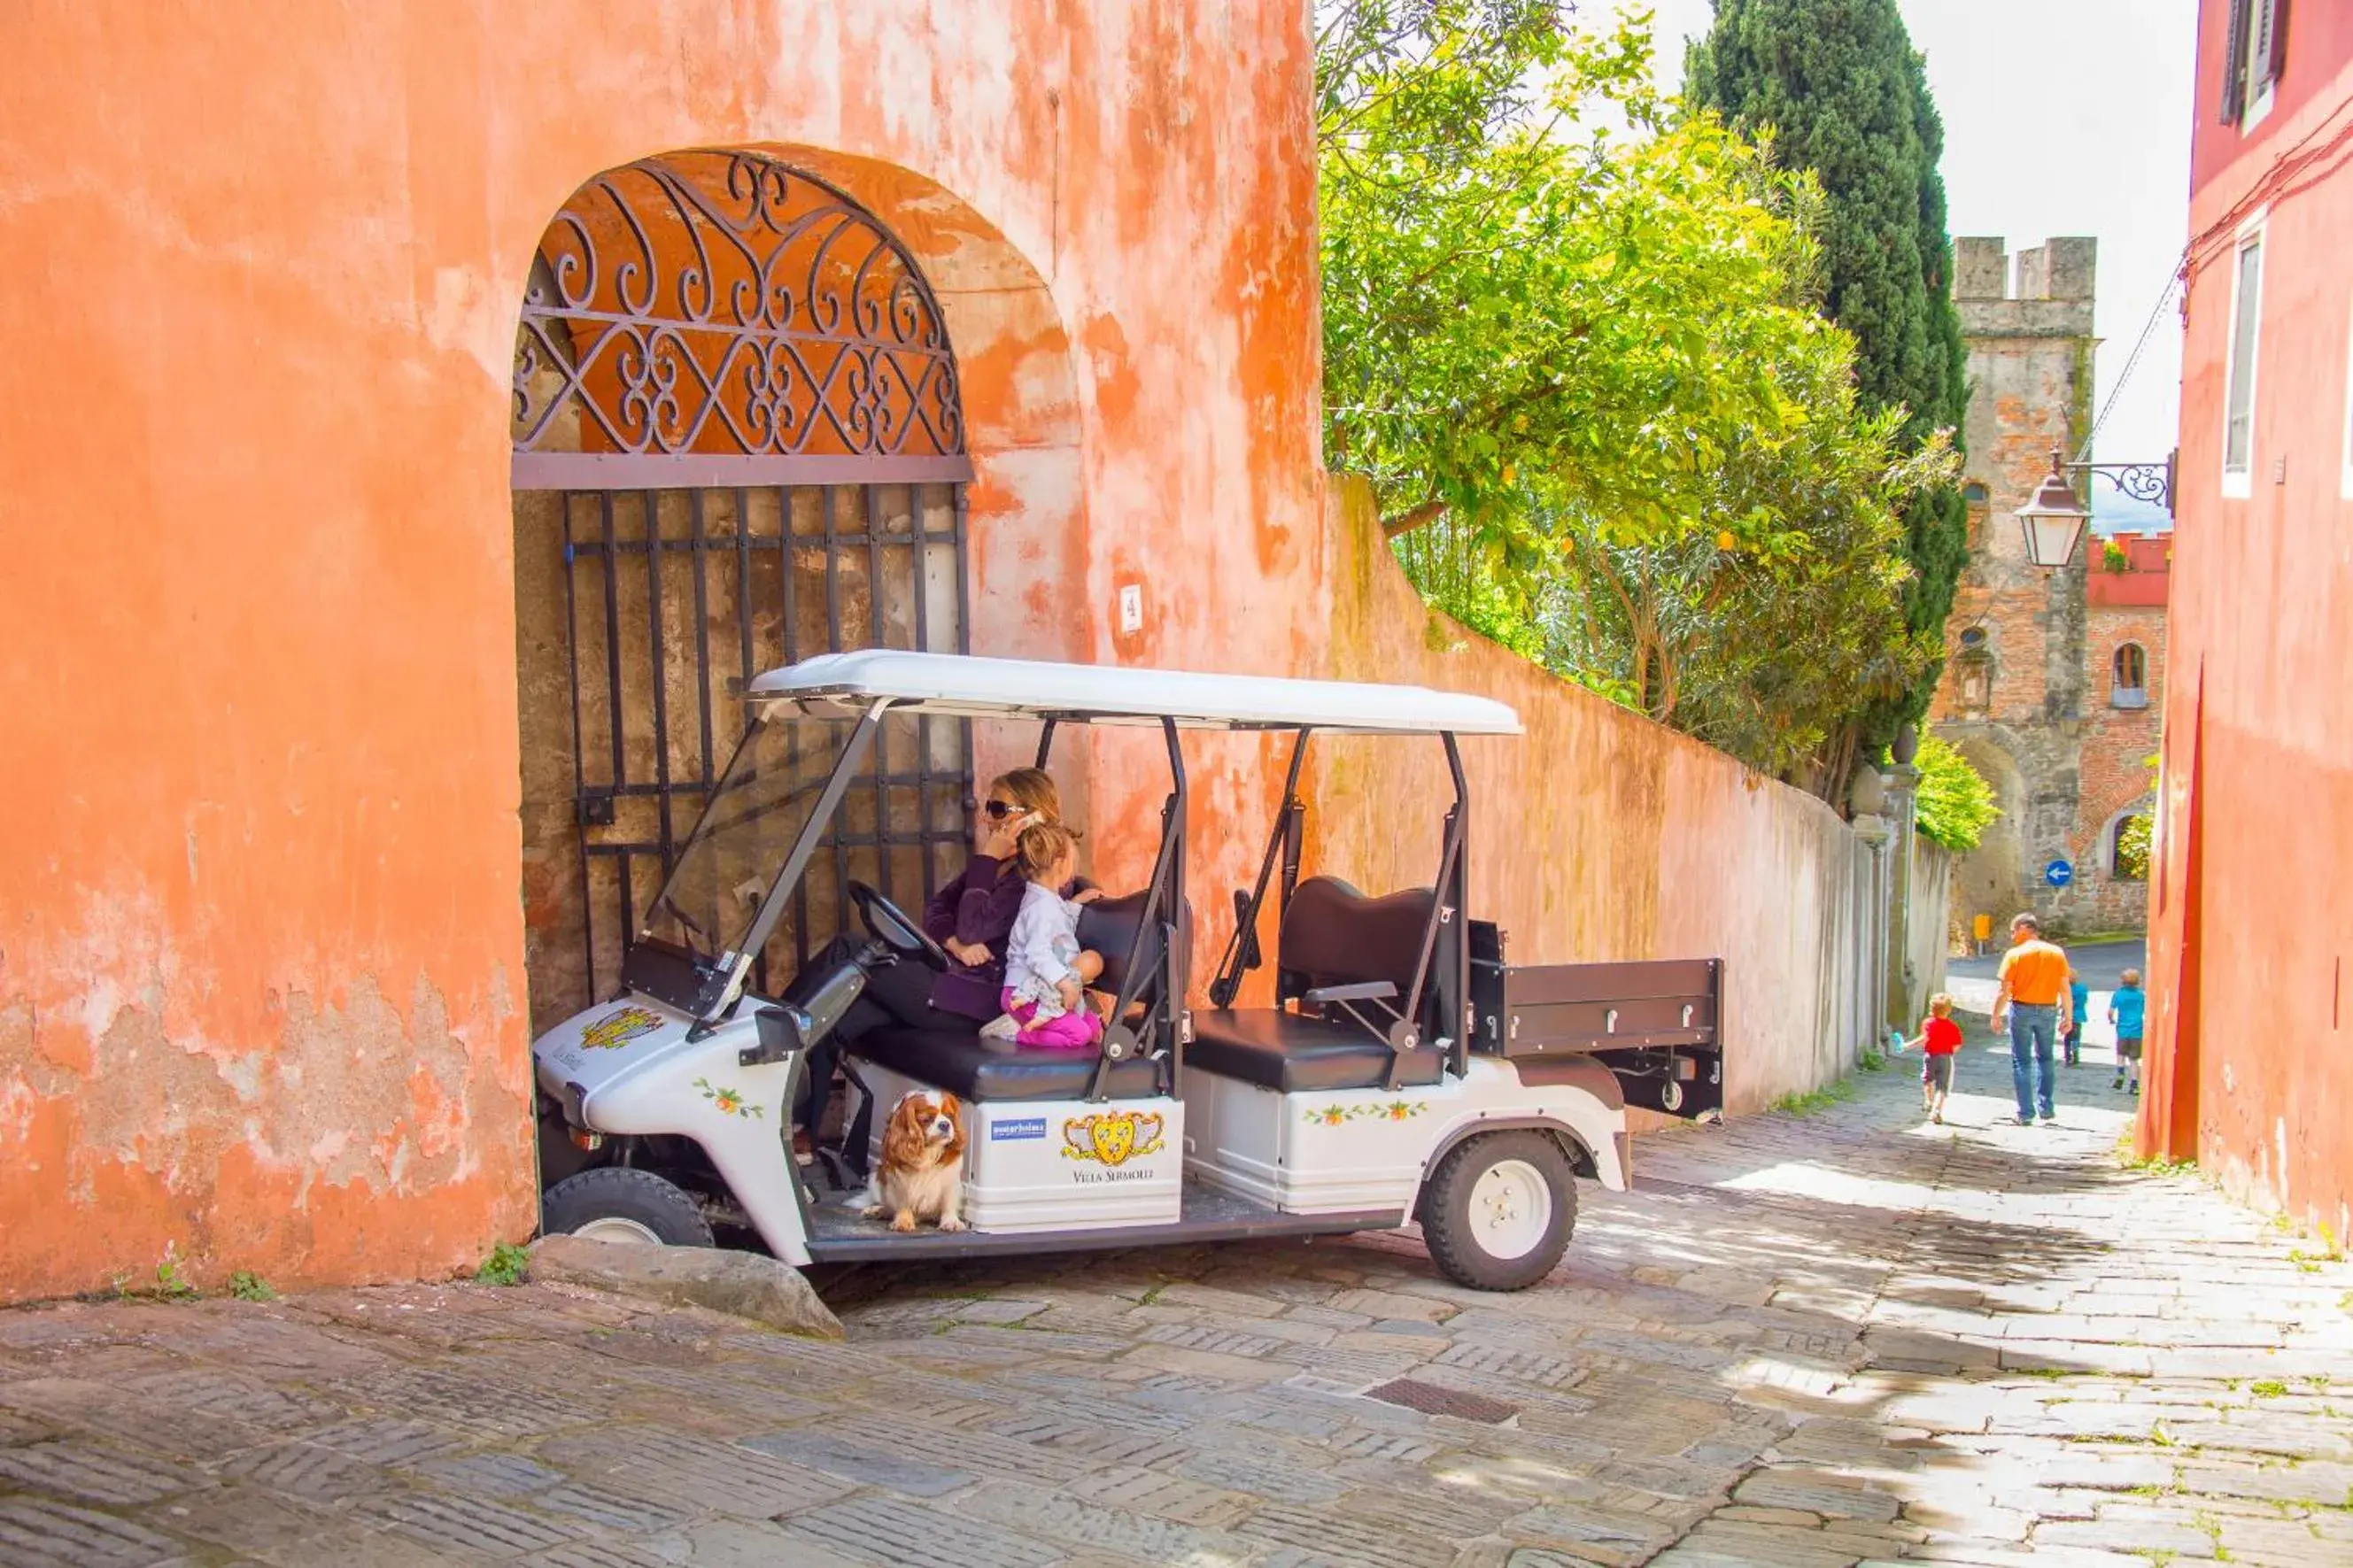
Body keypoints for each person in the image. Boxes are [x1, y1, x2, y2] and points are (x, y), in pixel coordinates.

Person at [792, 767, 1098, 1157]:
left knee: (850, 949)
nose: (987, 818)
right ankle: (801, 1133)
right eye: (989, 807)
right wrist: (953, 942)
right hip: (952, 982)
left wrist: (985, 863)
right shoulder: (1001, 866)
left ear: (1028, 815)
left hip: (982, 1004)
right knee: (836, 1015)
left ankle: (765, 1038)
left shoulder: (1031, 880)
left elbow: (973, 926)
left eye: (997, 808)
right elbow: (937, 910)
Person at [982, 821, 1106, 1050]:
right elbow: (1037, 953)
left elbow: (1057, 932)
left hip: (1044, 991)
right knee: (1079, 1036)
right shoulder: (1041, 907)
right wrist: (1066, 984)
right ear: (1059, 864)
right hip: (1026, 995)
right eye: (1071, 862)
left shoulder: (1046, 900)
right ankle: (1015, 1033)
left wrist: (1075, 904)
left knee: (1093, 1028)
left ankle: (1031, 1028)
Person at [1992, 912, 2069, 1126]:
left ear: (2025, 928)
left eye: (2014, 930)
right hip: (2048, 1010)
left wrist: (1996, 1015)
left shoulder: (2014, 955)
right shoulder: (2056, 953)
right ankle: (2046, 1107)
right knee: (2046, 1058)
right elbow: (2064, 988)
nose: (2012, 935)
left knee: (2022, 1061)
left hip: (2022, 1009)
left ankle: (2025, 1112)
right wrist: (2068, 1017)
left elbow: (2004, 991)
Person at [1904, 993, 1964, 1124]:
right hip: (1946, 1058)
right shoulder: (1952, 1026)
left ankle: (1929, 1101)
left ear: (1931, 1009)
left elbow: (1924, 1038)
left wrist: (1908, 1045)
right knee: (1942, 1087)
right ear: (1949, 1010)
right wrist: (1949, 1052)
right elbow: (1958, 1045)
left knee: (1927, 1080)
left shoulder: (1928, 1023)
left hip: (1930, 1056)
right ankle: (1937, 1111)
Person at [2109, 967, 2148, 1094]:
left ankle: (2120, 1073)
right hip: (2137, 1030)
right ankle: (2134, 1085)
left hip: (2123, 1030)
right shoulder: (2140, 995)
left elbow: (2111, 1011)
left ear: (2122, 981)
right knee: (2134, 1059)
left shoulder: (2119, 994)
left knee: (2121, 1054)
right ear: (2138, 981)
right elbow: (2146, 1010)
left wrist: (2111, 1019)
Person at [2063, 965, 2090, 1068]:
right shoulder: (2083, 988)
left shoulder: (2067, 989)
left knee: (2067, 1037)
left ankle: (2067, 1056)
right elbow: (2084, 1000)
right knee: (2076, 1036)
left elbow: (2068, 1002)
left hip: (2069, 1016)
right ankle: (2076, 1054)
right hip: (2079, 1016)